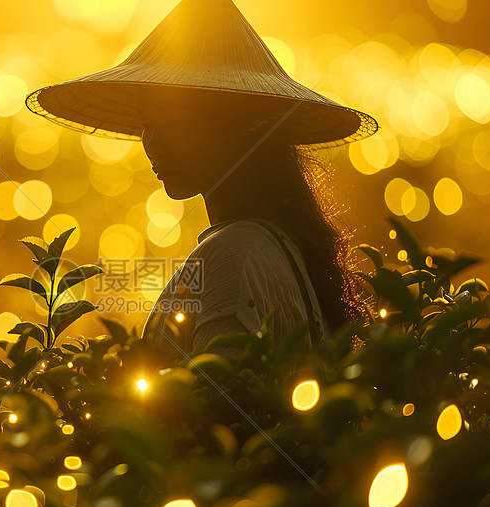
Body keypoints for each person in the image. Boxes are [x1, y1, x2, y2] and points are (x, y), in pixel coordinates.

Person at [25, 0, 378, 357]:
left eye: (173, 122)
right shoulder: (276, 245)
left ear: (242, 129)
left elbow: (218, 402)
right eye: (148, 125)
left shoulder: (233, 254)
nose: (153, 144)